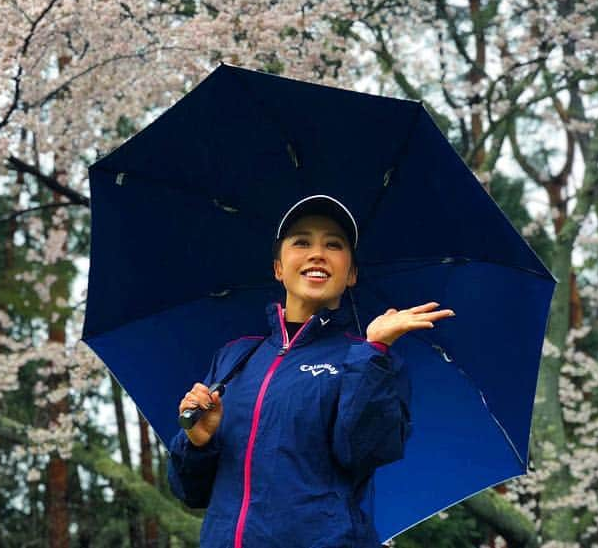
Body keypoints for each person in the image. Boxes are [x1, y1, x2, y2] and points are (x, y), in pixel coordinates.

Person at [167, 194, 455, 548]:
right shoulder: (235, 358)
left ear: (351, 273)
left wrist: (374, 349)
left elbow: (363, 452)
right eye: (301, 242)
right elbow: (190, 492)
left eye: (333, 244)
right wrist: (197, 442)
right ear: (278, 267)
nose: (317, 253)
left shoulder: (370, 360)